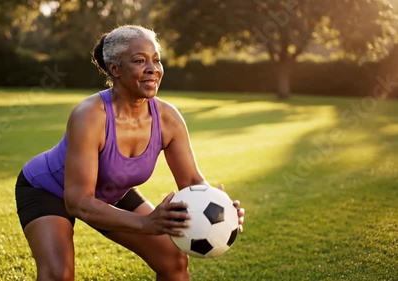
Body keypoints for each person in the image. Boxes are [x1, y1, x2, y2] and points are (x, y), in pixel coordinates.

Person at [15, 25, 245, 281]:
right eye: (139, 60)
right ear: (114, 69)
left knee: (174, 262)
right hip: (48, 190)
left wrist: (222, 208)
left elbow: (191, 181)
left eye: (156, 60)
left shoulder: (168, 119)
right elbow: (79, 201)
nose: (152, 69)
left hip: (111, 191)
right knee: (59, 274)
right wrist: (147, 224)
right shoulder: (90, 116)